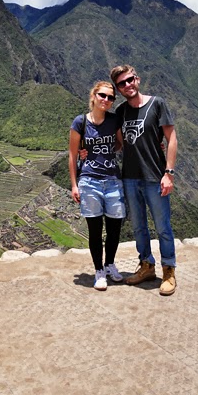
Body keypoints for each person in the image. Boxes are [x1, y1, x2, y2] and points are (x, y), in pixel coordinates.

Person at [110, 64, 178, 296]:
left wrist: (168, 173)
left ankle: (168, 270)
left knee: (163, 227)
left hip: (154, 176)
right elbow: (120, 144)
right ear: (118, 89)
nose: (127, 85)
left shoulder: (157, 104)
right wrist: (89, 150)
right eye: (122, 83)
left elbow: (171, 138)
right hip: (130, 177)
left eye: (130, 80)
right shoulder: (121, 112)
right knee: (139, 227)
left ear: (137, 79)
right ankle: (146, 265)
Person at [69, 80, 126, 291]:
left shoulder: (114, 121)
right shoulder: (80, 123)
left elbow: (120, 144)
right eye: (103, 95)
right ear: (93, 96)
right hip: (89, 181)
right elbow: (73, 154)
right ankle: (99, 270)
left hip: (112, 180)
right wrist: (74, 184)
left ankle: (110, 264)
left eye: (111, 97)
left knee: (114, 228)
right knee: (95, 230)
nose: (107, 100)